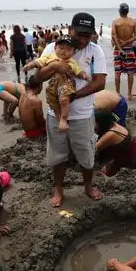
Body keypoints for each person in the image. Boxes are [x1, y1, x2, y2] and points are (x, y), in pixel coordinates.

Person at [34, 12, 108, 207]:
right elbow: (37, 78)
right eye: (80, 34)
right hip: (55, 114)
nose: (83, 40)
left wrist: (73, 96)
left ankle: (88, 186)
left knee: (86, 154)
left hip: (83, 115)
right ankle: (58, 189)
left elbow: (100, 83)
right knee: (58, 155)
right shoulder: (53, 48)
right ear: (70, 30)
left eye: (88, 35)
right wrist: (55, 67)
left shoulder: (95, 51)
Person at [23, 36, 90, 132]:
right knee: (53, 103)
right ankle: (59, 120)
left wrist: (84, 75)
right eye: (61, 48)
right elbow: (38, 62)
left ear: (73, 52)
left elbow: (78, 71)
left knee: (64, 100)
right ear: (55, 48)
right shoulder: (49, 57)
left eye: (68, 50)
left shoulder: (71, 61)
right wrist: (29, 65)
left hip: (65, 83)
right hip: (52, 85)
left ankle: (63, 118)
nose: (64, 51)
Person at [94, 109, 136, 177]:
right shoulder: (114, 124)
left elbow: (94, 150)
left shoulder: (110, 134)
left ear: (101, 123)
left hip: (127, 166)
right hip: (132, 157)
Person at [112, 3, 136, 99]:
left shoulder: (115, 22)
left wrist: (120, 48)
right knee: (130, 72)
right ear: (128, 11)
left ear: (119, 11)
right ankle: (129, 94)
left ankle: (117, 93)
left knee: (117, 72)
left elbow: (113, 36)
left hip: (118, 49)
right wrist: (127, 42)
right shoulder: (133, 22)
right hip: (129, 49)